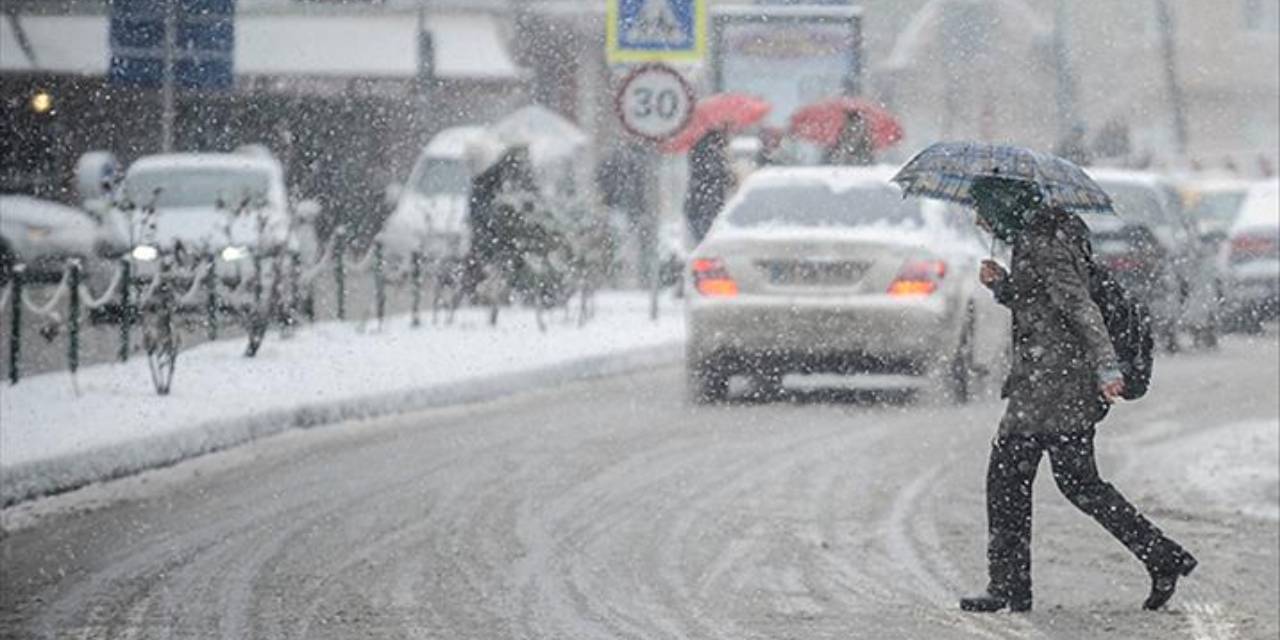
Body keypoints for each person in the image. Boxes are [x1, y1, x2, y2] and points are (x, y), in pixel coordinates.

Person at [960, 177, 1197, 613]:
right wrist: (1004, 287)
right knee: (1074, 482)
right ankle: (1162, 556)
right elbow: (1042, 303)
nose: (979, 219)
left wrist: (1107, 365)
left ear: (1004, 204)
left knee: (1012, 477)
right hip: (1053, 380)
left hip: (1056, 384)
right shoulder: (1047, 233)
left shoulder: (1043, 241)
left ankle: (1010, 586)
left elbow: (1078, 305)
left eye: (983, 208)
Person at [684, 129, 734, 245]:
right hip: (707, 201)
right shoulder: (712, 151)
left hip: (699, 200)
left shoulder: (697, 147)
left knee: (700, 236)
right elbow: (716, 174)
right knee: (707, 236)